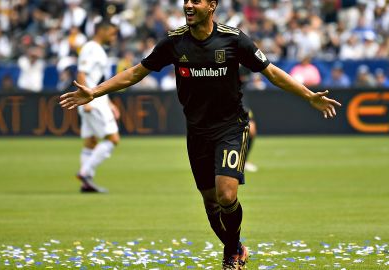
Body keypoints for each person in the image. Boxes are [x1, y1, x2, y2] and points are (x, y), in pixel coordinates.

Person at [60, 0, 341, 268]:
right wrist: (94, 92)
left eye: (196, 1)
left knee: (226, 194)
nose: (188, 5)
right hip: (197, 132)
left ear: (212, 6)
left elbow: (271, 73)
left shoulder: (234, 39)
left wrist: (308, 96)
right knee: (210, 202)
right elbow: (136, 73)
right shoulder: (174, 41)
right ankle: (236, 246)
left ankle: (231, 255)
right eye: (186, 1)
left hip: (231, 127)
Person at [74, 20, 121, 193]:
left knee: (90, 142)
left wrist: (109, 103)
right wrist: (88, 101)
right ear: (102, 30)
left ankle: (86, 184)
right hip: (92, 102)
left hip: (96, 100)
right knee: (113, 139)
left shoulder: (98, 49)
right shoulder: (91, 47)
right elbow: (81, 72)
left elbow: (99, 81)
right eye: (112, 33)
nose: (114, 37)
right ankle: (85, 172)